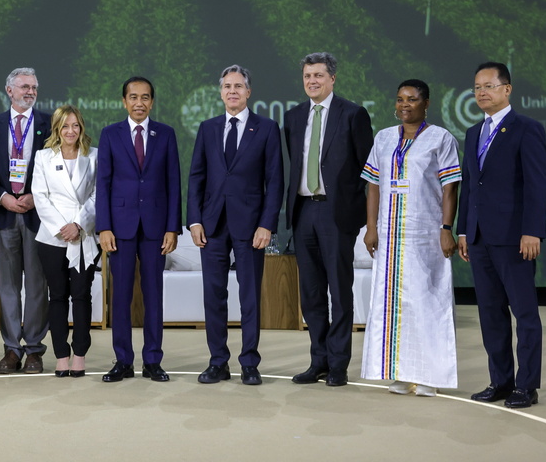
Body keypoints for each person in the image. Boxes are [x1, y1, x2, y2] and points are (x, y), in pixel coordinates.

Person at [457, 61, 546, 409]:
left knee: (524, 314)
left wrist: (532, 231)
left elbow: (538, 185)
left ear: (506, 90)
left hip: (514, 239)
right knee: (490, 314)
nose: (482, 93)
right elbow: (470, 188)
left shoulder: (527, 128)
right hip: (479, 240)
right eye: (477, 87)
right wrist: (464, 229)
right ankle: (500, 381)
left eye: (489, 86)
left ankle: (527, 385)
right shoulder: (472, 133)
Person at [360, 79, 460, 397]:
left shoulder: (440, 138)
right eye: (400, 99)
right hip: (389, 236)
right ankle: (400, 373)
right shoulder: (384, 138)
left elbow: (450, 188)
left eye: (413, 99)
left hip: (425, 234)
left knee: (427, 301)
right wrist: (371, 227)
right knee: (393, 303)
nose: (405, 105)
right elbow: (374, 185)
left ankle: (430, 376)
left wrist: (446, 229)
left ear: (426, 103)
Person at [187, 65, 283, 386]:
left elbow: (275, 181)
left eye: (238, 86)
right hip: (212, 225)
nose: (232, 91)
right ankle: (218, 362)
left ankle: (250, 363)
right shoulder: (208, 128)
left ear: (248, 92)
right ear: (220, 92)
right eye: (227, 86)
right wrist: (194, 220)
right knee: (213, 295)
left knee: (250, 297)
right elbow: (196, 177)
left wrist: (267, 224)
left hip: (251, 226)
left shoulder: (267, 128)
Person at [283, 52, 374, 387]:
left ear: (332, 78)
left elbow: (369, 169)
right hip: (303, 212)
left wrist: (353, 205)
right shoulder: (293, 117)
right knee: (311, 293)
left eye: (319, 76)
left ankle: (338, 365)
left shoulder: (353, 114)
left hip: (337, 214)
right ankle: (317, 361)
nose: (312, 82)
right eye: (307, 76)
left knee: (339, 290)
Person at [96, 76, 182, 383]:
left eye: (145, 97)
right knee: (120, 296)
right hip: (119, 228)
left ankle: (152, 361)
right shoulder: (110, 135)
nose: (139, 103)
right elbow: (102, 184)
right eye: (133, 97)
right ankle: (122, 361)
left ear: (152, 102)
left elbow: (174, 184)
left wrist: (173, 228)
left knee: (153, 294)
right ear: (124, 101)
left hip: (156, 228)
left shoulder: (166, 135)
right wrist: (103, 227)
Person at [0, 67, 52, 374]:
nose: (30, 91)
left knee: (36, 284)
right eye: (24, 86)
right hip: (4, 213)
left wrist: (37, 195)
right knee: (7, 286)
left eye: (33, 86)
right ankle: (11, 349)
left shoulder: (49, 123)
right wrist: (2, 196)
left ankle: (34, 349)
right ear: (9, 91)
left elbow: (58, 163)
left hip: (38, 214)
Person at [32, 104, 99, 378]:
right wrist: (62, 227)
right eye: (65, 126)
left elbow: (98, 194)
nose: (71, 131)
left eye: (75, 125)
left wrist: (79, 224)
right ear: (57, 129)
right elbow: (39, 195)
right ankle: (61, 354)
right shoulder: (43, 157)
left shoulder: (94, 156)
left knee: (81, 296)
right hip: (52, 237)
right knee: (57, 297)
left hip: (84, 235)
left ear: (81, 128)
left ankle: (80, 354)